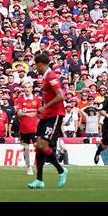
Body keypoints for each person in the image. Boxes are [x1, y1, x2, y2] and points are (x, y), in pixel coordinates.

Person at [28, 52, 68, 190]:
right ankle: (39, 180)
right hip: (46, 115)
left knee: (43, 145)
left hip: (54, 115)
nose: (35, 68)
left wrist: (44, 107)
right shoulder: (45, 77)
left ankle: (61, 170)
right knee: (38, 146)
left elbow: (60, 96)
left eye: (36, 65)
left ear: (41, 64)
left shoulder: (51, 76)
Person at [16, 80, 40, 175]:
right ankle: (28, 167)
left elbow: (39, 112)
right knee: (26, 149)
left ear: (32, 89)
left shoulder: (37, 100)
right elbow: (19, 113)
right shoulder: (20, 100)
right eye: (25, 87)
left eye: (29, 87)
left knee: (36, 146)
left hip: (34, 128)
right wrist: (28, 113)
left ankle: (38, 165)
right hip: (24, 128)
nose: (27, 89)